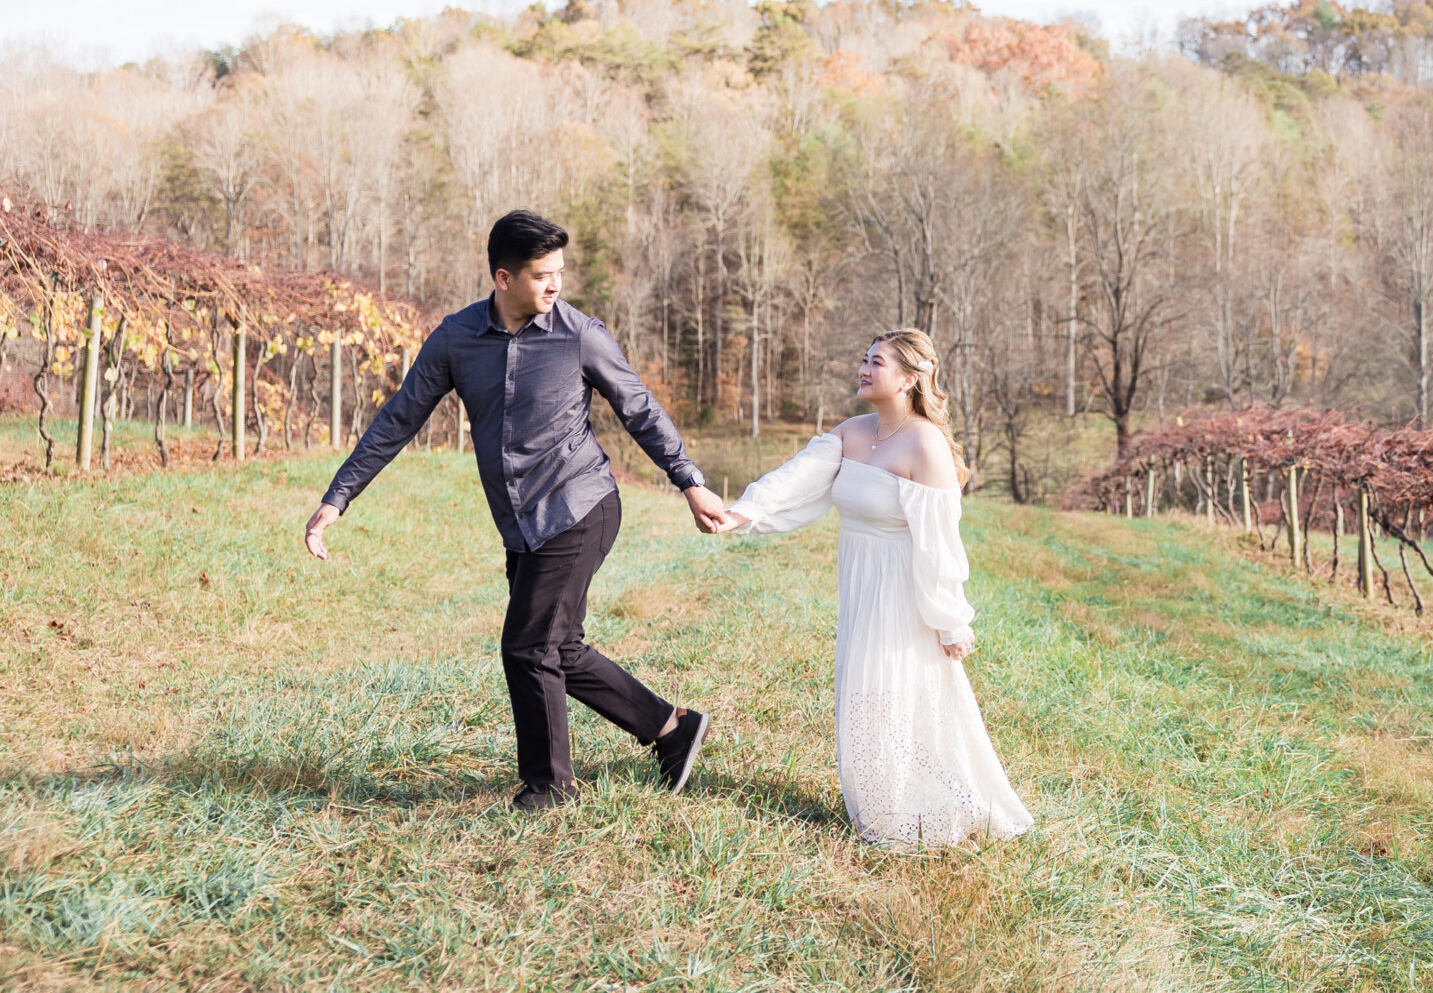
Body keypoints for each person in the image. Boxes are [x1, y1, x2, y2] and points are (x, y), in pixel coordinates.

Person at [302, 209, 723, 812]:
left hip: (580, 506)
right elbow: (399, 418)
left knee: (527, 646)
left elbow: (640, 409)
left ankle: (549, 788)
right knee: (558, 646)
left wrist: (690, 482)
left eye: (559, 273)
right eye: (541, 275)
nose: (554, 286)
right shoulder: (456, 339)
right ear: (503, 278)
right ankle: (671, 728)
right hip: (521, 521)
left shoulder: (579, 334)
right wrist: (336, 498)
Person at [711, 327, 1032, 847]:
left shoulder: (925, 444)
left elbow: (940, 546)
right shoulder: (853, 432)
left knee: (901, 695)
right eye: (864, 358)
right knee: (862, 696)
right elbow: (794, 480)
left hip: (904, 594)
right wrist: (739, 513)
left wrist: (949, 619)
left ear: (908, 379)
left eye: (876, 362)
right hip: (861, 584)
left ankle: (930, 811)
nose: (864, 367)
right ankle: (881, 810)